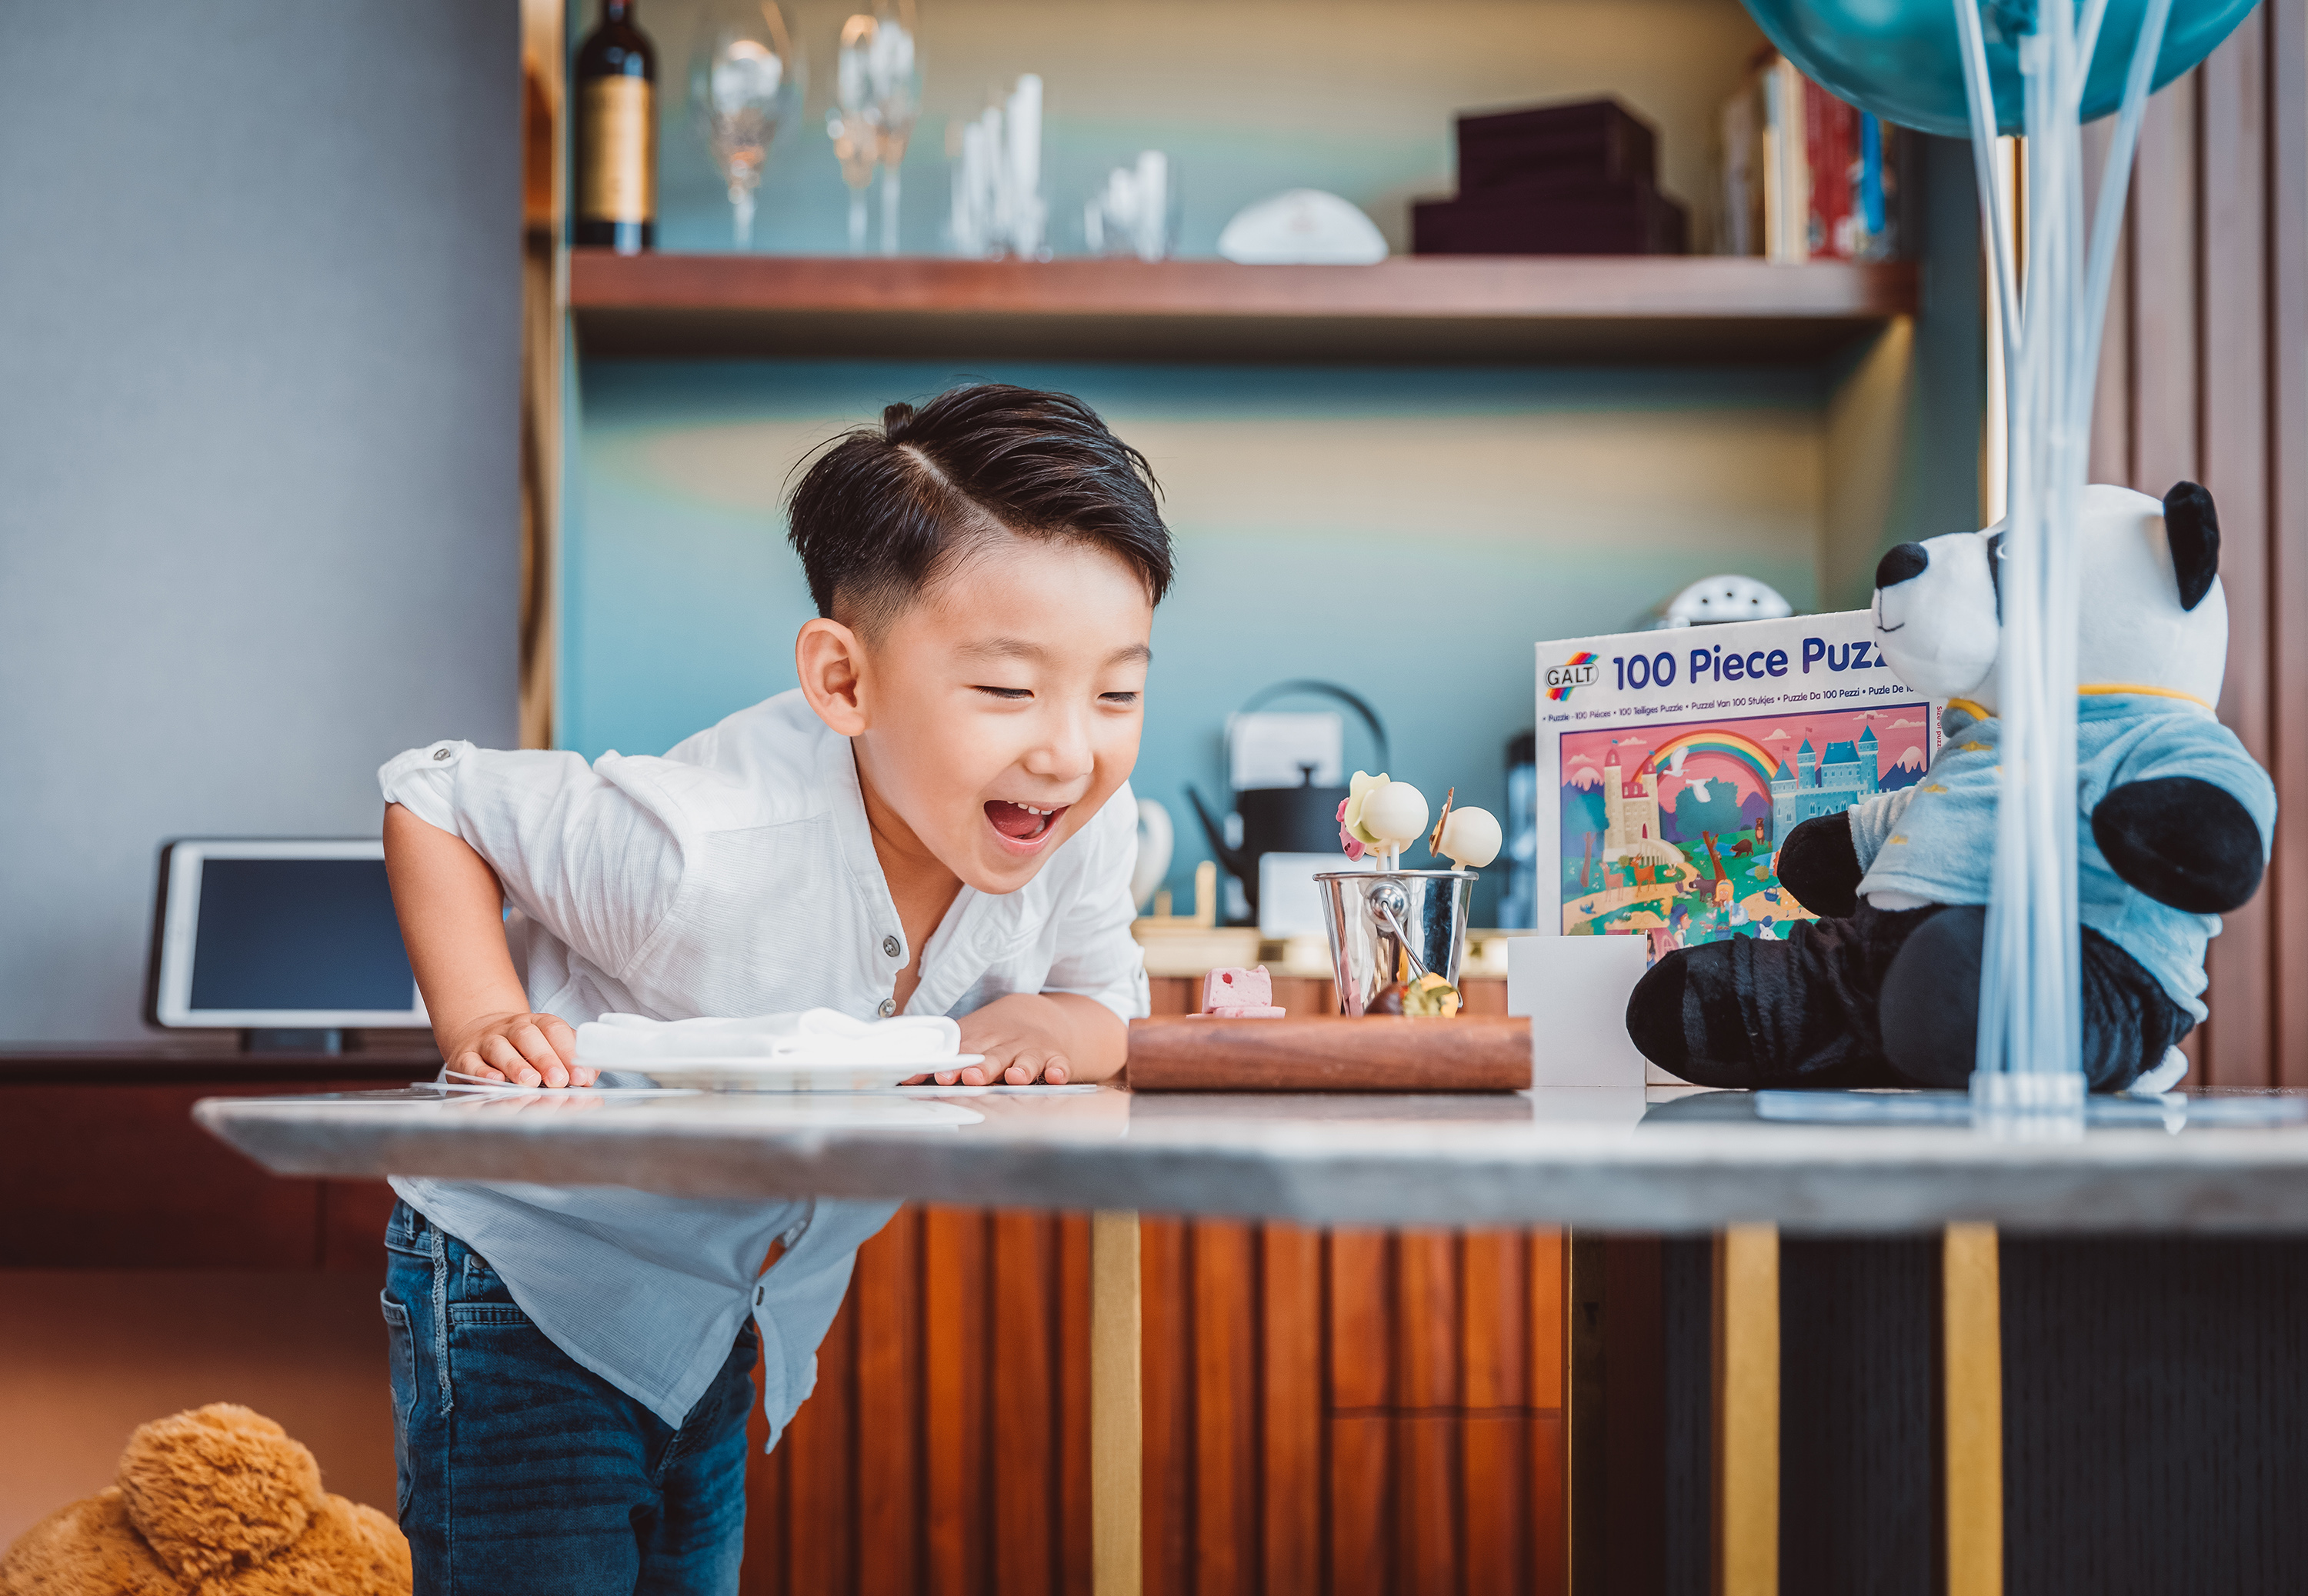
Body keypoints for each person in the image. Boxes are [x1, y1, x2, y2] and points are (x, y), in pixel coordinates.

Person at [375, 384, 1169, 1594]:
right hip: (527, 1275)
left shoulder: (1079, 835)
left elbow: (1112, 1004)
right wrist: (484, 1015)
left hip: (709, 1304)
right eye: (1009, 691)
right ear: (844, 682)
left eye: (1117, 693)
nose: (1069, 750)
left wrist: (1052, 1021)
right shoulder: (698, 848)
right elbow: (434, 794)